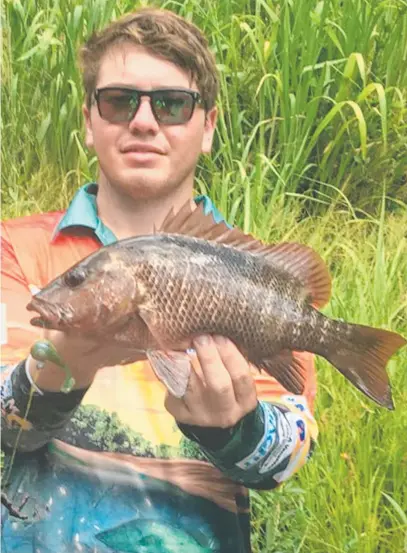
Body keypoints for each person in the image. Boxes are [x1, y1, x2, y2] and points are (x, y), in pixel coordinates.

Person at [1, 8, 318, 553]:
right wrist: (57, 371)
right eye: (119, 100)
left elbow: (285, 458)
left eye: (171, 104)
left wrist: (233, 430)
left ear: (209, 126)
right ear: (87, 119)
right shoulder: (14, 250)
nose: (143, 122)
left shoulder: (253, 274)